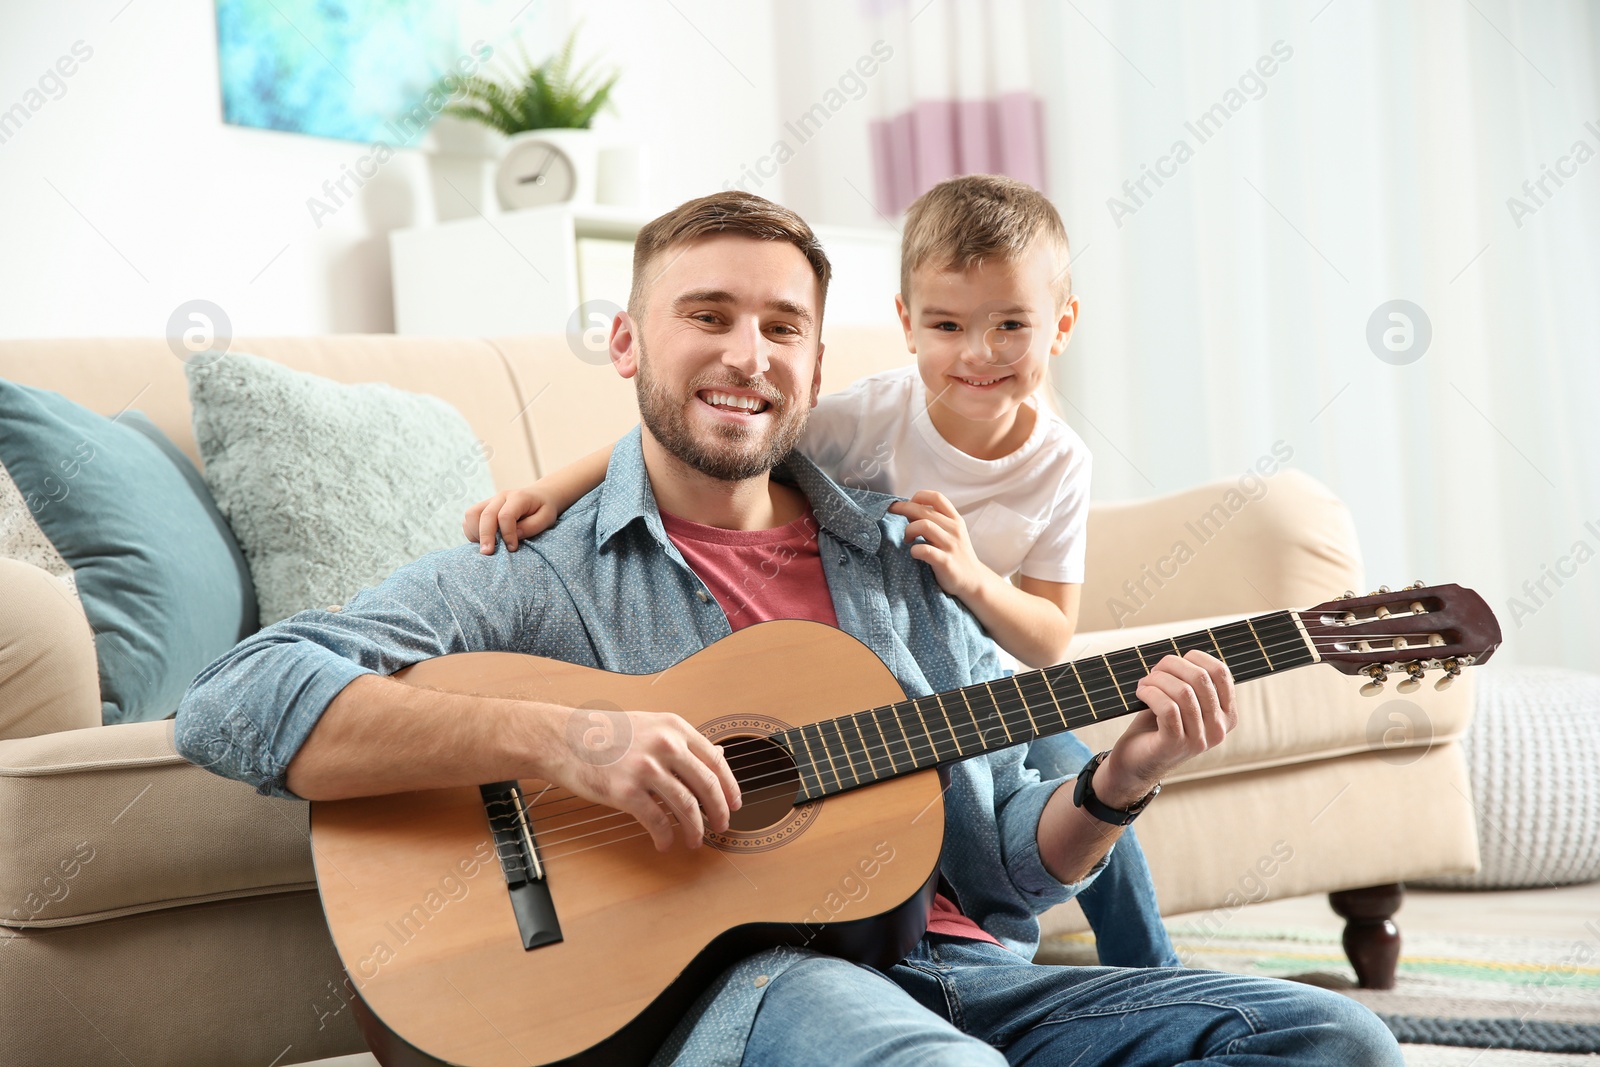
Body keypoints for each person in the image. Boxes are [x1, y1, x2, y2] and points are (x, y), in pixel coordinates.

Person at [174, 190, 1401, 1066]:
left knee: (1332, 1035)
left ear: (818, 369)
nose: (744, 353)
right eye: (705, 313)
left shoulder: (916, 560)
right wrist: (565, 741)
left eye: (780, 327)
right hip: (743, 991)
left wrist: (1123, 777)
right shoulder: (535, 574)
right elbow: (236, 698)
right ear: (626, 342)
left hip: (959, 969)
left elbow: (1005, 862)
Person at [457, 174, 1175, 968]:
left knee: (1094, 779)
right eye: (948, 323)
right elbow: (705, 427)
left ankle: (1152, 977)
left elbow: (1049, 636)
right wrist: (552, 490)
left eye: (1011, 324)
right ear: (906, 325)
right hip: (877, 693)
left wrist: (971, 579)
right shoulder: (861, 422)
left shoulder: (1063, 462)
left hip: (986, 685)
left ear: (1061, 325)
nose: (979, 352)